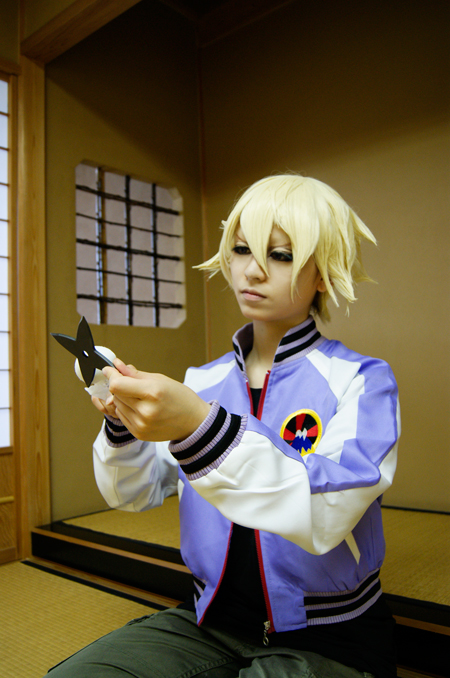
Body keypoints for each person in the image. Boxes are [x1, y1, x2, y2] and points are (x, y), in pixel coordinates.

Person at [46, 175, 400, 677]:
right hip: (206, 618)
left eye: (281, 255)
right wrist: (123, 424)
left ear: (322, 274)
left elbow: (328, 509)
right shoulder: (202, 381)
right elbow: (133, 493)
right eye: (240, 249)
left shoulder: (362, 380)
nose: (252, 270)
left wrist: (198, 425)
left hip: (331, 636)